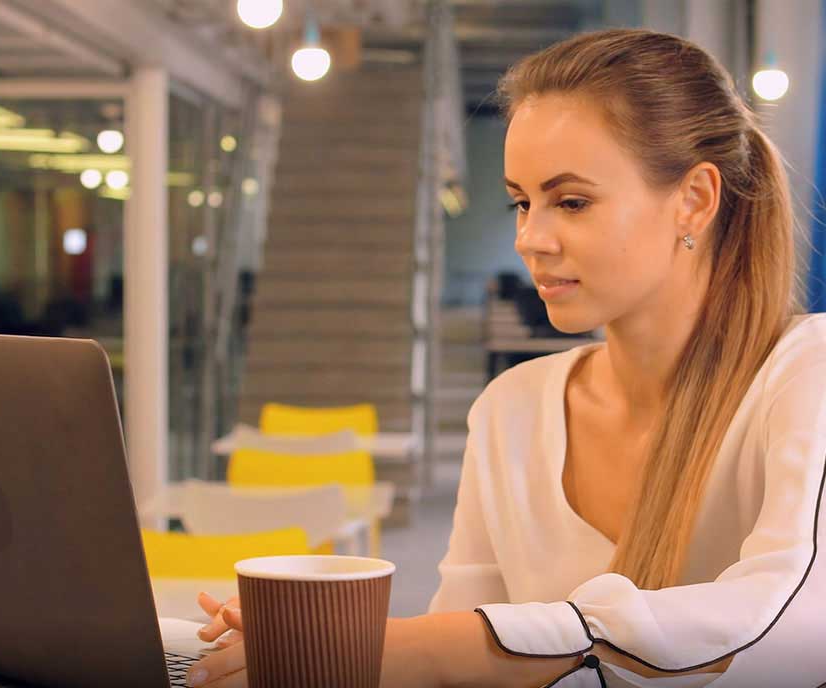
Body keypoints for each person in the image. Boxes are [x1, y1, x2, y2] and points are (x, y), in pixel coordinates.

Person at [182, 28, 826, 688]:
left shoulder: (807, 373)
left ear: (693, 200)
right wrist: (321, 648)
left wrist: (410, 648)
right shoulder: (511, 408)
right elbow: (458, 656)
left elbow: (791, 623)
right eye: (522, 201)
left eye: (571, 201)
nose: (530, 238)